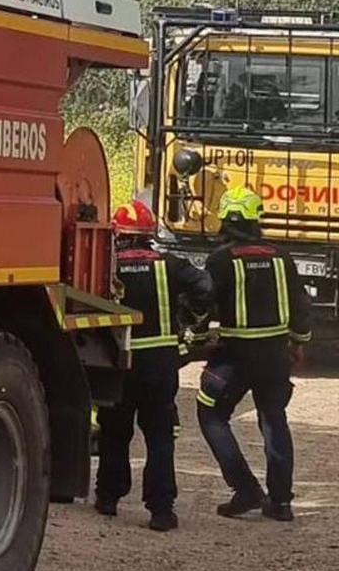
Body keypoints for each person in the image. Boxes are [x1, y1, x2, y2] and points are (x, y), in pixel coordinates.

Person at [197, 185, 316, 521]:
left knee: (210, 414)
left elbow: (203, 304)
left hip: (234, 355)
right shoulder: (282, 257)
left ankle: (245, 489)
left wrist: (195, 337)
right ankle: (280, 503)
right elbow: (300, 305)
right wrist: (298, 342)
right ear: (255, 219)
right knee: (274, 419)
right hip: (275, 355)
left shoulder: (220, 260)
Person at [96, 199, 211, 531]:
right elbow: (204, 286)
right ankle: (161, 510)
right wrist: (189, 319)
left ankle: (108, 497)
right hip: (160, 364)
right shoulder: (169, 264)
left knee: (115, 432)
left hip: (119, 362)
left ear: (119, 234)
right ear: (148, 233)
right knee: (160, 436)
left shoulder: (108, 264)